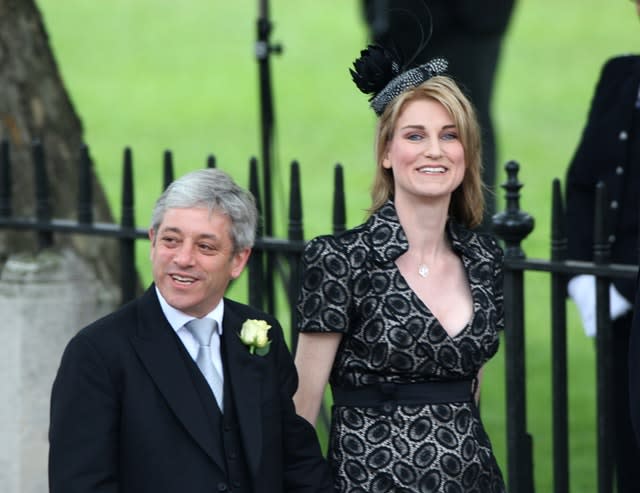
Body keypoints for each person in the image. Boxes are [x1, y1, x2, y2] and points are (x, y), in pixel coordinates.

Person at [293, 45, 505, 492]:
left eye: (450, 135)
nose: (435, 150)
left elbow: (470, 395)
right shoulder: (340, 260)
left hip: (474, 479)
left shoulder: (485, 261)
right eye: (415, 136)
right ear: (386, 153)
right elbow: (302, 410)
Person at [48, 168, 333, 493]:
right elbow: (81, 484)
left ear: (239, 260)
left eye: (205, 247)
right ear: (153, 242)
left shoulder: (261, 333)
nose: (183, 259)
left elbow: (297, 461)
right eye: (171, 240)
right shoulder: (97, 352)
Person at [565, 1, 640, 489]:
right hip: (613, 299)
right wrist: (584, 278)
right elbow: (581, 185)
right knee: (627, 452)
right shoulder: (620, 75)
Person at [361, 0, 516, 231]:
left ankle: (471, 245)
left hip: (465, 26)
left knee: (462, 128)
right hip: (396, 24)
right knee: (402, 135)